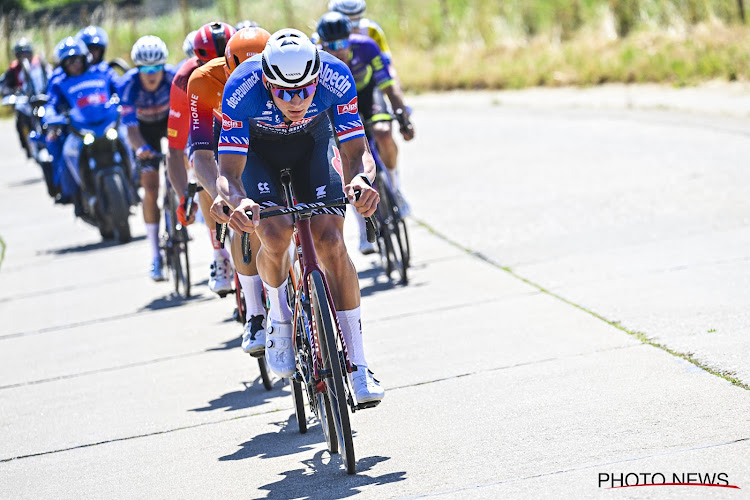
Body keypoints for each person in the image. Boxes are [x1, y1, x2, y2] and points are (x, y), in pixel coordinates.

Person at [214, 29, 384, 403]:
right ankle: (278, 317)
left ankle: (358, 365)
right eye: (285, 93)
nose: (296, 100)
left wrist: (361, 179)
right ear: (266, 80)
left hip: (313, 144)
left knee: (332, 241)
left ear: (317, 77)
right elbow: (228, 173)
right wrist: (236, 200)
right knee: (274, 234)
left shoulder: (336, 75)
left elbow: (357, 152)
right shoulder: (242, 86)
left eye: (306, 90)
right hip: (259, 154)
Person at [187, 26, 270, 353]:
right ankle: (255, 313)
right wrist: (225, 195)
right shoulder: (202, 81)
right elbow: (202, 154)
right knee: (243, 219)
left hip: (272, 135)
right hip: (228, 142)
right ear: (226, 66)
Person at [317, 11, 414, 254]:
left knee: (382, 131)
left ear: (351, 38)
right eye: (332, 45)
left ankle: (395, 186)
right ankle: (363, 228)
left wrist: (402, 115)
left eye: (343, 43)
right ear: (322, 44)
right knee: (347, 156)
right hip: (339, 104)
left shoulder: (367, 47)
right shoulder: (317, 59)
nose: (339, 49)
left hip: (368, 95)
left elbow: (388, 86)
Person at [166, 21, 236, 295]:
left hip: (235, 121)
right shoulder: (184, 79)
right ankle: (220, 254)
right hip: (205, 126)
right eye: (210, 62)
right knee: (204, 170)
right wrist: (184, 194)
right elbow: (174, 148)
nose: (218, 68)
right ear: (197, 60)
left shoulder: (247, 60)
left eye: (225, 60)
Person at [117, 36, 177, 281]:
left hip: (169, 124)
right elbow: (130, 129)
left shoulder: (174, 78)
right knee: (150, 189)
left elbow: (184, 116)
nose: (151, 74)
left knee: (180, 162)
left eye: (156, 68)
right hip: (143, 131)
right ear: (137, 68)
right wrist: (141, 148)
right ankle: (155, 255)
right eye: (145, 68)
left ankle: (181, 210)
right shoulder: (128, 85)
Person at [44, 37, 117, 212]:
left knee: (127, 138)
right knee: (63, 150)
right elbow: (50, 105)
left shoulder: (102, 72)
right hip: (77, 130)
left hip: (106, 123)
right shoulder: (58, 82)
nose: (74, 64)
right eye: (69, 62)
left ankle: (136, 175)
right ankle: (72, 189)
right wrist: (51, 118)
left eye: (77, 59)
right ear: (62, 64)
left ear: (84, 58)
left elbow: (120, 88)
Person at [2, 38, 50, 157]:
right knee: (20, 120)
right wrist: (10, 91)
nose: (24, 56)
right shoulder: (14, 69)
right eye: (21, 54)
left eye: (26, 53)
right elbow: (3, 84)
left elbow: (51, 76)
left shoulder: (40, 63)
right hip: (25, 102)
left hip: (43, 97)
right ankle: (27, 146)